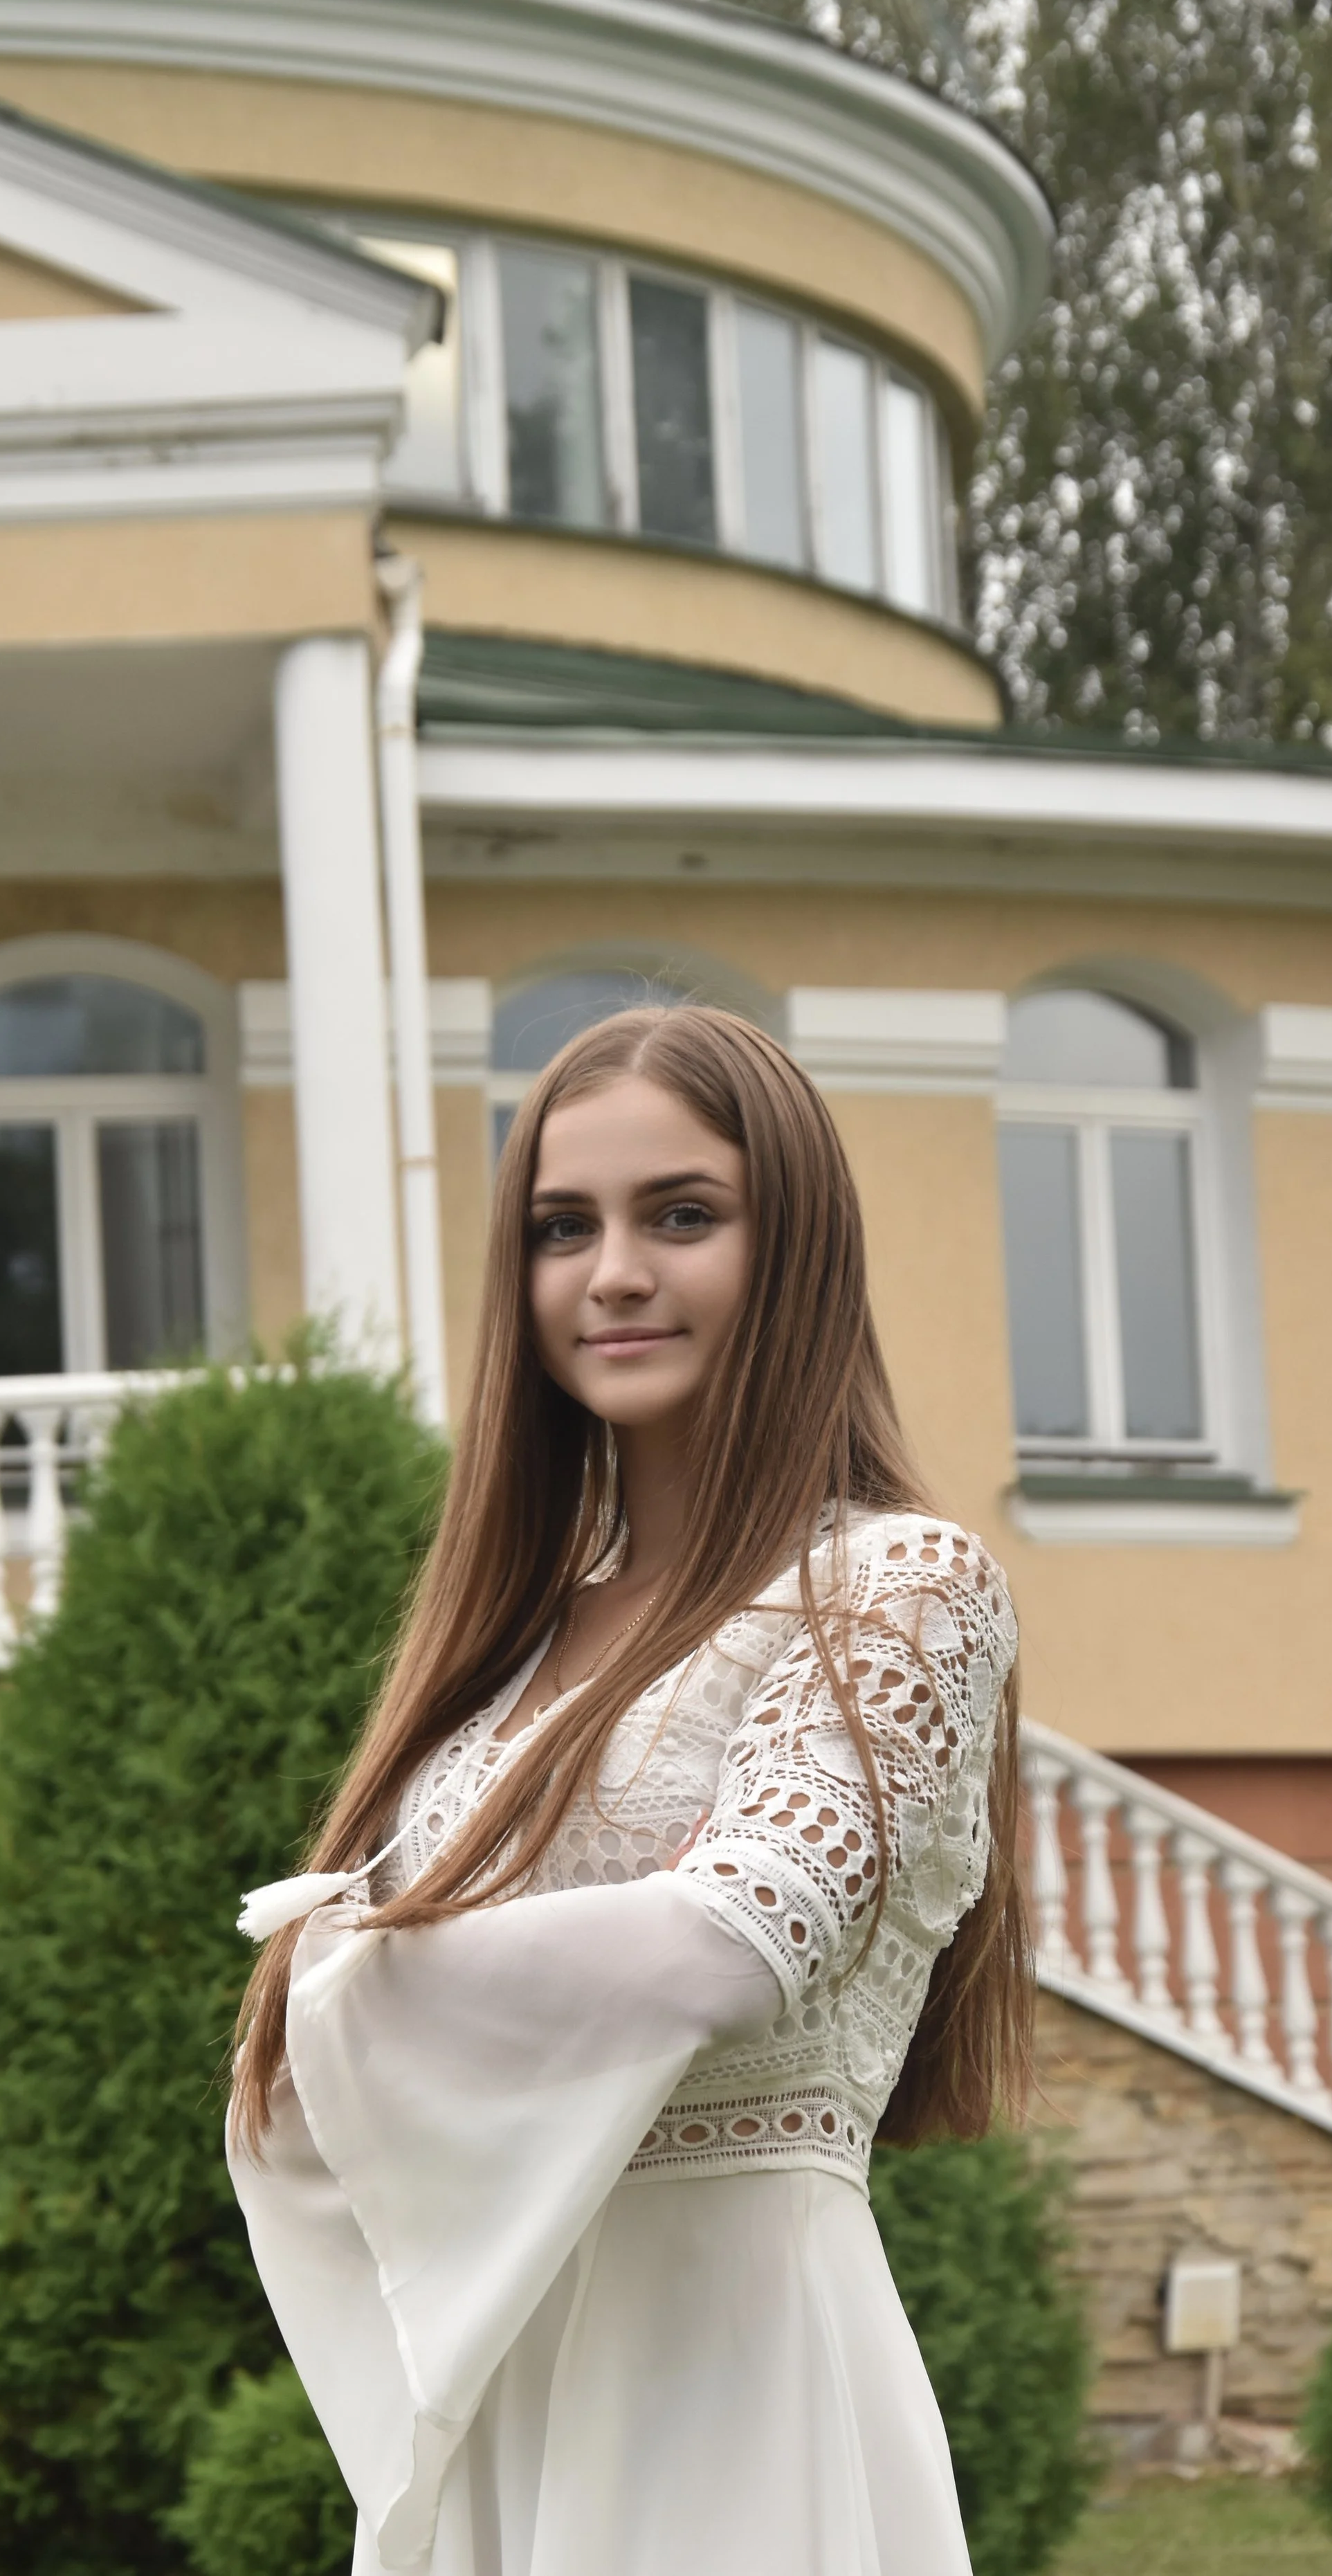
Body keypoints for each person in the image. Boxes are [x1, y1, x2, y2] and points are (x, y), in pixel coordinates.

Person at [228, 1005, 1030, 2576]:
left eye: (680, 1215)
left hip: (737, 2374)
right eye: (561, 1227)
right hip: (507, 2374)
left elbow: (733, 1940)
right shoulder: (506, 1644)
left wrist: (337, 1972)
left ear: (793, 1250)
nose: (611, 1273)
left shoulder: (897, 1588)